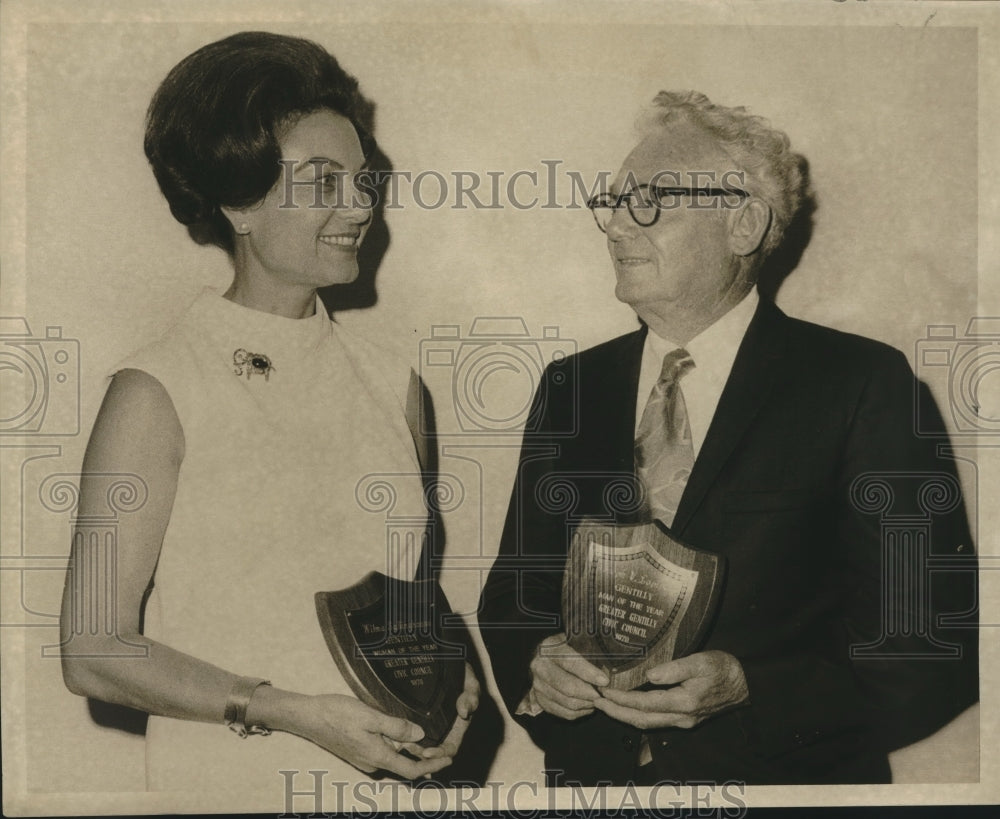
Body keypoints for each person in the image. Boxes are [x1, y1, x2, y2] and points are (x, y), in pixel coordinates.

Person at [478, 90, 978, 785]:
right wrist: (539, 662)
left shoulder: (861, 383)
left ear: (743, 224)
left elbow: (936, 645)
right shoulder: (572, 386)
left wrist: (751, 686)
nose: (618, 227)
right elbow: (515, 597)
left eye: (649, 200)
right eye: (613, 201)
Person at [59, 31, 478, 797]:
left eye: (363, 180)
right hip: (233, 783)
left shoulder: (395, 384)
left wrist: (452, 678)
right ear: (239, 202)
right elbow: (92, 648)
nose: (359, 208)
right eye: (324, 182)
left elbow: (402, 603)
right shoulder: (157, 387)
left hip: (391, 785)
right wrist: (288, 711)